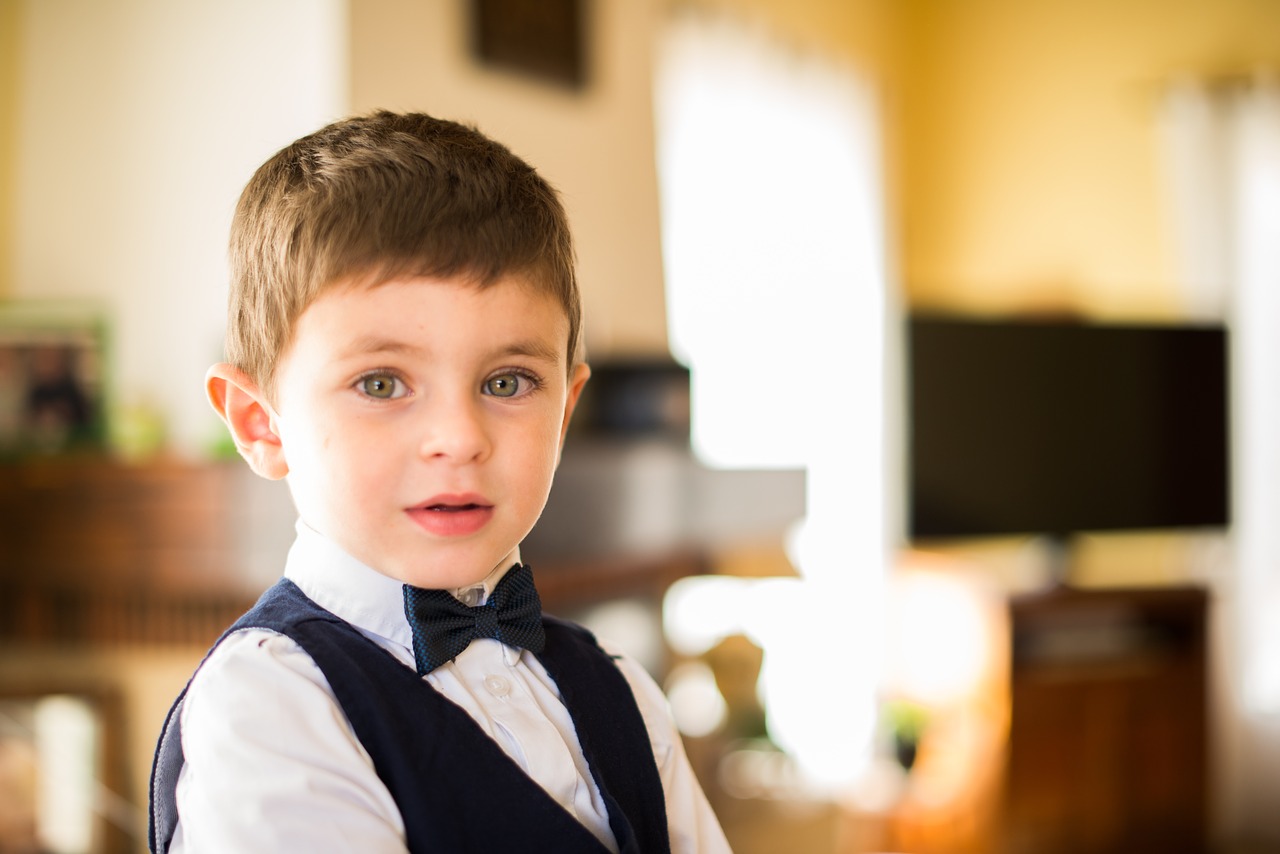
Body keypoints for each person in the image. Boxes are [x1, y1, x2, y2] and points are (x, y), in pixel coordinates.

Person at [148, 111, 731, 854]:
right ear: (263, 424)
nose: (459, 438)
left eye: (508, 381)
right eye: (382, 383)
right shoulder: (271, 707)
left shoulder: (623, 692)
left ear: (564, 413)